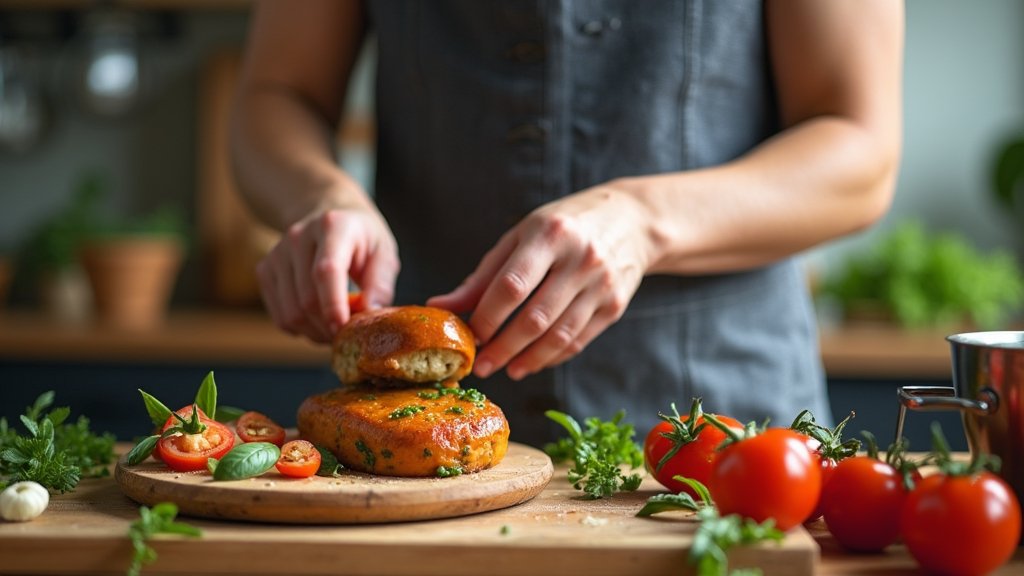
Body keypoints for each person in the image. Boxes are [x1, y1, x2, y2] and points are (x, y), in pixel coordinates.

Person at [231, 0, 903, 446]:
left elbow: (860, 149)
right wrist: (322, 196)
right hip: (414, 436)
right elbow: (277, 94)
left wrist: (642, 221)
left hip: (722, 433)